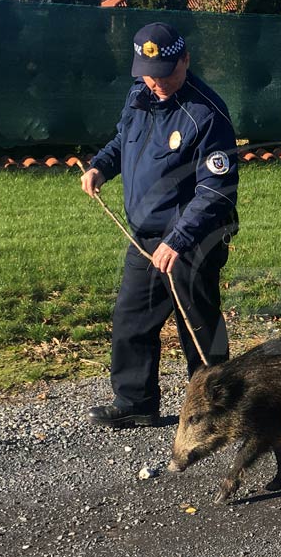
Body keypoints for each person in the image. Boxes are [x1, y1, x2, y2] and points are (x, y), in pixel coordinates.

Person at [80, 22, 239, 428]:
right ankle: (136, 402)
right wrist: (100, 166)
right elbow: (123, 140)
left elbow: (217, 191)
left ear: (185, 60)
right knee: (131, 319)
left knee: (199, 324)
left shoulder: (207, 113)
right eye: (149, 74)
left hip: (193, 238)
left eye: (166, 73)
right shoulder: (139, 94)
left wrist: (179, 240)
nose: (157, 82)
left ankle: (217, 405)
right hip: (146, 236)